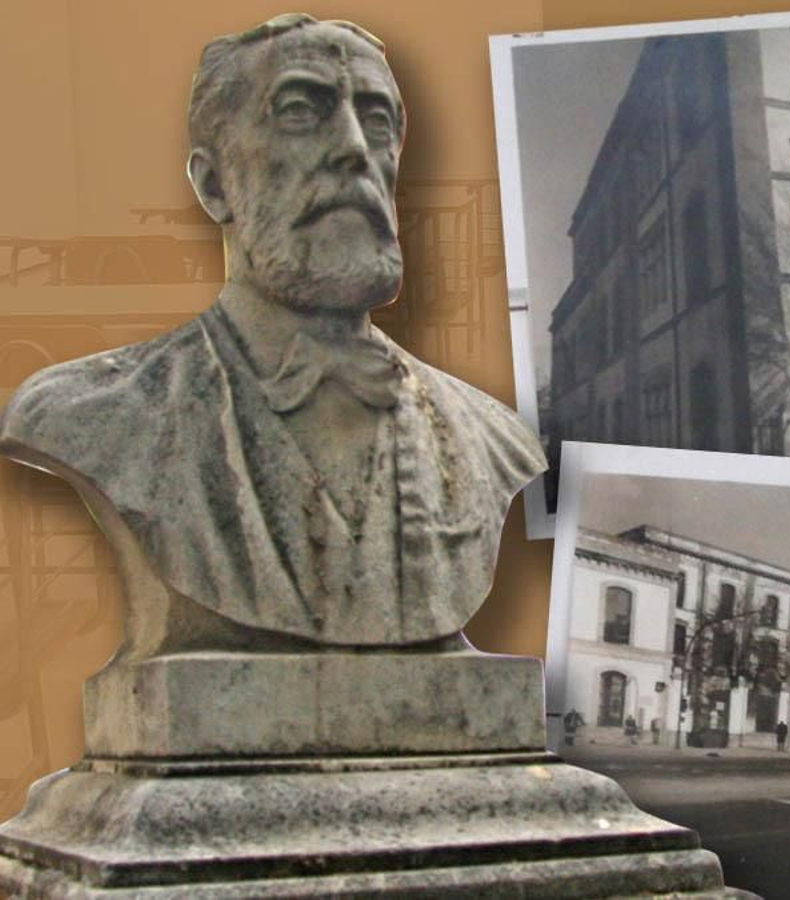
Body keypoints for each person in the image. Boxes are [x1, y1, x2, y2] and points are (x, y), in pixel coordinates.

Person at [0, 13, 545, 650]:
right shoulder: (92, 414)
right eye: (299, 111)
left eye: (377, 121)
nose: (354, 148)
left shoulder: (494, 437)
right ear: (212, 184)